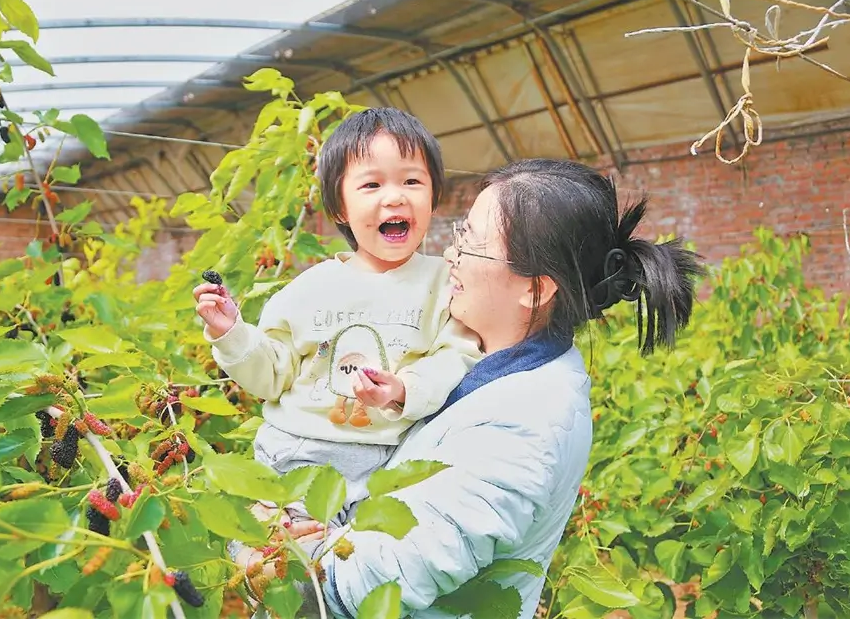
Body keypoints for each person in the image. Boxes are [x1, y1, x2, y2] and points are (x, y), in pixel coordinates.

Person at [237, 158, 705, 617]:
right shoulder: (471, 362)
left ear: (535, 289)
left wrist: (263, 540)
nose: (450, 255)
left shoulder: (524, 427)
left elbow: (368, 585)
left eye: (471, 243)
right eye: (458, 233)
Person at [193, 108, 481, 517]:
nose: (395, 196)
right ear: (340, 208)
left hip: (388, 461)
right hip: (297, 455)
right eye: (372, 184)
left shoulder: (444, 283)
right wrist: (233, 333)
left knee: (361, 564)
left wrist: (402, 389)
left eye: (412, 180)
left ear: (434, 197)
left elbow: (458, 355)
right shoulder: (309, 290)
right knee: (282, 561)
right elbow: (273, 374)